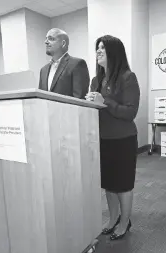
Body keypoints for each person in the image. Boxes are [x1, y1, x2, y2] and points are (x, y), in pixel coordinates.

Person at [85, 35, 140, 241]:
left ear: (114, 52)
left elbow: (130, 112)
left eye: (103, 48)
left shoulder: (127, 77)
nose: (98, 51)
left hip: (123, 139)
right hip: (103, 139)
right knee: (109, 183)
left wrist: (104, 101)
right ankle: (113, 218)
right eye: (97, 47)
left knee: (123, 184)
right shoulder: (95, 80)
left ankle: (125, 222)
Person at [39, 28, 90, 99]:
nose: (46, 42)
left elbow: (80, 99)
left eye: (51, 39)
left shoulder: (77, 64)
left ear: (63, 43)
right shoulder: (43, 70)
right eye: (46, 38)